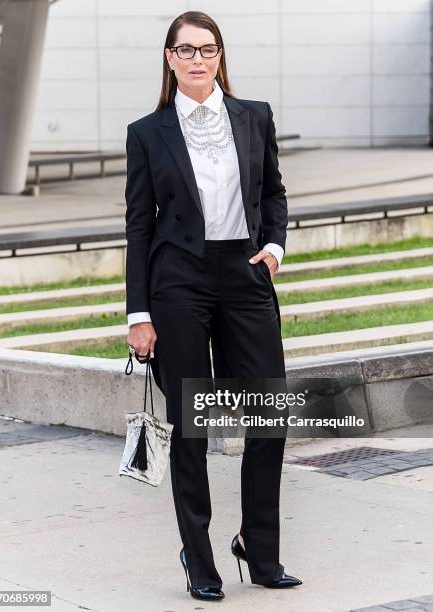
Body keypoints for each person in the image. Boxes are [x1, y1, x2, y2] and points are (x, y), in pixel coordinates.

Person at [125, 10, 302, 602]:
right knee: (194, 427)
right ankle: (198, 558)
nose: (198, 59)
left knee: (269, 417)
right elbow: (139, 231)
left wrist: (274, 247)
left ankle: (260, 547)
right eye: (186, 50)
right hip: (178, 281)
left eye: (208, 49)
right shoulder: (147, 133)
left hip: (245, 274)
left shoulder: (255, 116)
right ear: (170, 60)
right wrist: (138, 313)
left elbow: (273, 191)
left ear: (220, 56)